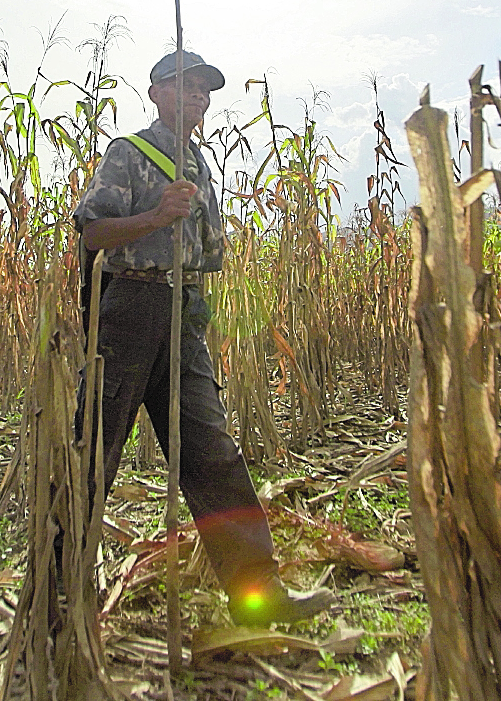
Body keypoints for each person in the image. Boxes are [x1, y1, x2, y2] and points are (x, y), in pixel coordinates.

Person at [70, 49, 335, 626]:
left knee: (211, 451)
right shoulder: (130, 154)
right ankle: (61, 597)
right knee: (93, 449)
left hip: (180, 312)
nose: (200, 99)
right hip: (129, 311)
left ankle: (256, 594)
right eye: (187, 88)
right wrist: (157, 216)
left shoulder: (198, 162)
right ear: (157, 93)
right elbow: (93, 231)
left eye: (206, 91)